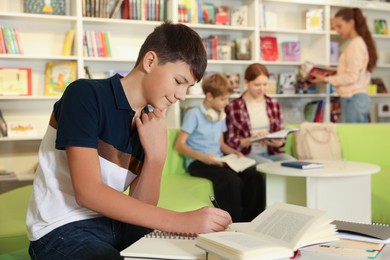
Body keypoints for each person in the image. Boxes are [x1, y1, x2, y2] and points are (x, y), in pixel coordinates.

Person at [26, 21, 231, 260]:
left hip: (116, 225)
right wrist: (181, 221)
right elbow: (88, 192)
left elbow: (141, 206)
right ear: (150, 61)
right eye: (178, 81)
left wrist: (156, 156)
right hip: (61, 229)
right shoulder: (84, 95)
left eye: (188, 87)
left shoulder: (149, 122)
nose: (181, 96)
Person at [175, 73, 266, 223]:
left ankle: (252, 222)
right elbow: (180, 145)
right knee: (231, 181)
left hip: (218, 159)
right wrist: (203, 157)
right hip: (199, 162)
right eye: (223, 99)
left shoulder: (220, 116)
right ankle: (232, 224)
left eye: (228, 99)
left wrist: (234, 152)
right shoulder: (193, 114)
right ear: (209, 96)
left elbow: (221, 145)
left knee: (254, 176)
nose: (227, 103)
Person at [311, 7, 378, 123]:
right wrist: (333, 73)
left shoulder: (355, 45)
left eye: (339, 26)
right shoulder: (358, 43)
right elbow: (352, 73)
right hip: (355, 99)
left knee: (354, 138)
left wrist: (326, 79)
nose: (337, 30)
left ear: (351, 23)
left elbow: (352, 77)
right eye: (334, 27)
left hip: (353, 99)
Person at [225, 63, 296, 164]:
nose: (262, 89)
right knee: (269, 167)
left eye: (265, 84)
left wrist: (276, 142)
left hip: (273, 152)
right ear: (246, 82)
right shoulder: (234, 107)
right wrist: (252, 139)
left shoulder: (274, 104)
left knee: (296, 165)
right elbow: (231, 141)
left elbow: (282, 140)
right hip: (247, 154)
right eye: (257, 85)